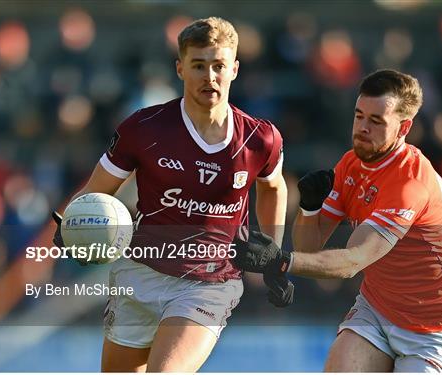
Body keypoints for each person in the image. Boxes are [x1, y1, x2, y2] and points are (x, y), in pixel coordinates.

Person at [53, 17, 291, 372]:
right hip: (140, 272)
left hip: (210, 281)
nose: (209, 77)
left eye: (218, 66)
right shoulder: (143, 128)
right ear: (180, 68)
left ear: (235, 69)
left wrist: (272, 250)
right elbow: (94, 193)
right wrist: (72, 227)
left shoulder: (260, 138)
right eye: (198, 65)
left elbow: (273, 186)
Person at [233, 69, 442, 373]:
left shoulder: (408, 184)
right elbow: (310, 246)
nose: (362, 128)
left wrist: (282, 261)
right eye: (359, 116)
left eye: (376, 121)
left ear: (403, 128)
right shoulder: (351, 164)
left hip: (433, 326)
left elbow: (352, 262)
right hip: (378, 309)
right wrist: (309, 208)